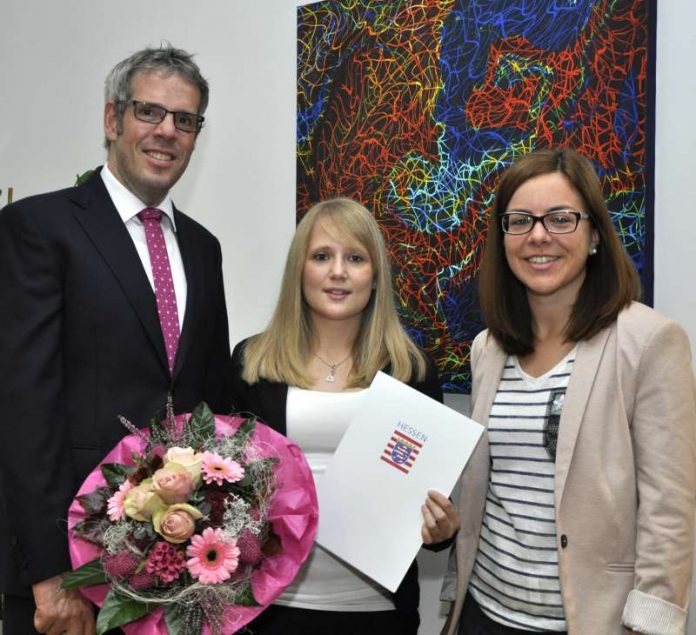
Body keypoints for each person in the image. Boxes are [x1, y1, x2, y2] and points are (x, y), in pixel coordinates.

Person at [0, 44, 232, 634]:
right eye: (149, 112)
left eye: (185, 120)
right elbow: (24, 413)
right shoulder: (39, 228)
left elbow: (210, 408)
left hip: (174, 571)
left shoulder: (204, 250)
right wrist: (51, 576)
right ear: (112, 120)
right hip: (71, 571)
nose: (167, 132)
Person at [440, 148, 696, 634]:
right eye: (519, 221)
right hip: (484, 614)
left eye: (560, 219)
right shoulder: (487, 348)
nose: (538, 236)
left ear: (595, 234)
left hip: (588, 622)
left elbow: (669, 513)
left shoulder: (649, 343)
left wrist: (652, 623)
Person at [230, 197, 459, 634]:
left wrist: (442, 529)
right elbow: (226, 489)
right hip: (273, 610)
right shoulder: (251, 362)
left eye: (355, 258)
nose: (338, 272)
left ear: (375, 277)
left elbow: (432, 517)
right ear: (300, 271)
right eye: (321, 257)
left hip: (378, 614)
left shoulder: (413, 370)